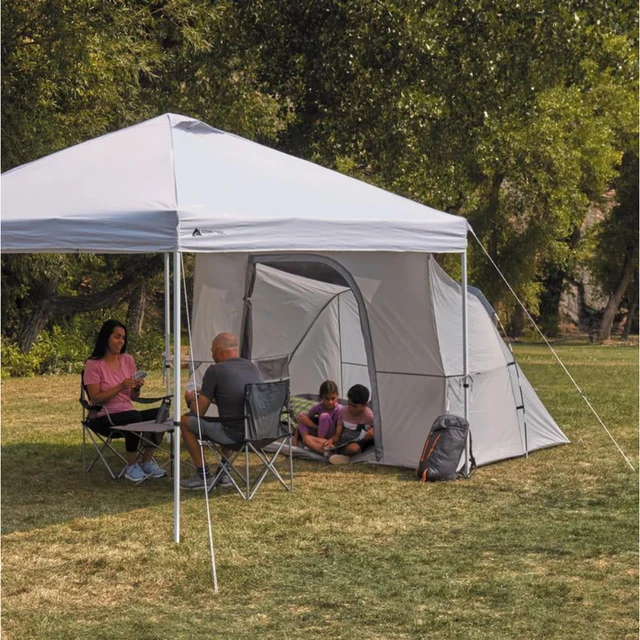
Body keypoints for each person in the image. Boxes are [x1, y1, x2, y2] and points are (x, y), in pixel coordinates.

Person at [84, 319, 167, 483]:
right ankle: (131, 465)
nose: (121, 341)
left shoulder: (128, 360)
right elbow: (95, 398)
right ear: (106, 338)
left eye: (123, 337)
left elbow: (133, 398)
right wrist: (121, 386)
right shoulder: (93, 364)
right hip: (103, 416)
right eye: (117, 337)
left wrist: (136, 387)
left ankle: (147, 461)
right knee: (133, 417)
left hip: (128, 412)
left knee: (160, 413)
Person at [180, 332, 263, 491]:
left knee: (185, 422)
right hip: (260, 433)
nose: (212, 356)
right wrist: (211, 397)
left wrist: (191, 399)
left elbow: (198, 413)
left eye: (212, 352)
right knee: (230, 418)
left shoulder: (215, 370)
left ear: (218, 351)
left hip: (235, 436)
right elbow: (235, 401)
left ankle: (202, 476)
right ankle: (224, 473)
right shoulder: (252, 367)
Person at [325, 384, 375, 465]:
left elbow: (380, 428)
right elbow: (337, 435)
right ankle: (334, 454)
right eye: (349, 403)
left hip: (353, 445)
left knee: (354, 448)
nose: (350, 408)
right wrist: (331, 440)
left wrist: (373, 429)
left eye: (355, 406)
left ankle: (331, 454)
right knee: (308, 439)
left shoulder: (369, 416)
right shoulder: (343, 411)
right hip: (341, 443)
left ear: (365, 405)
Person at [296, 380, 343, 455]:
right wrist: (295, 439)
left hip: (329, 439)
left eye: (333, 398)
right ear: (321, 397)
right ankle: (311, 445)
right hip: (317, 436)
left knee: (324, 416)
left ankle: (316, 447)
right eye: (327, 399)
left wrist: (311, 424)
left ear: (337, 396)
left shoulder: (339, 410)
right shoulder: (319, 407)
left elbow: (335, 434)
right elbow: (304, 420)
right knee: (301, 416)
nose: (330, 402)